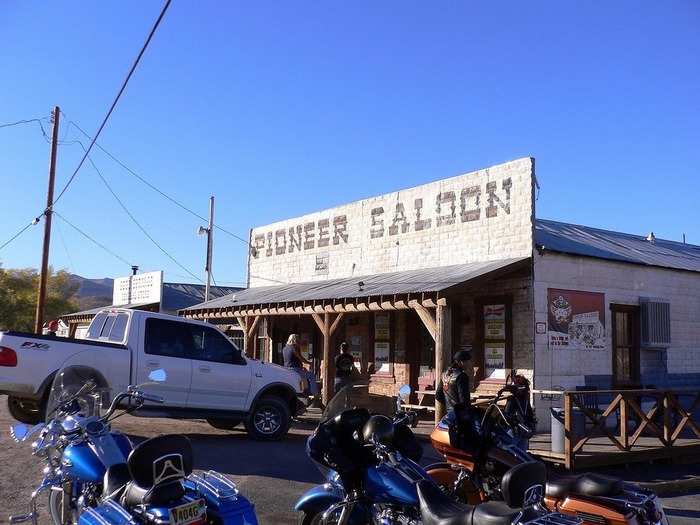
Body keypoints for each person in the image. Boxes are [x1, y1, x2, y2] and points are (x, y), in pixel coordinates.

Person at [282, 334, 320, 402]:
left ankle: (304, 393)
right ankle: (315, 394)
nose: (299, 341)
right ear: (295, 340)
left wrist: (302, 367)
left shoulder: (285, 348)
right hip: (294, 370)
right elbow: (300, 358)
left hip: (287, 369)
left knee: (303, 377)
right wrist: (309, 363)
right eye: (298, 340)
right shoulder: (293, 348)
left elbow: (292, 360)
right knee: (311, 375)